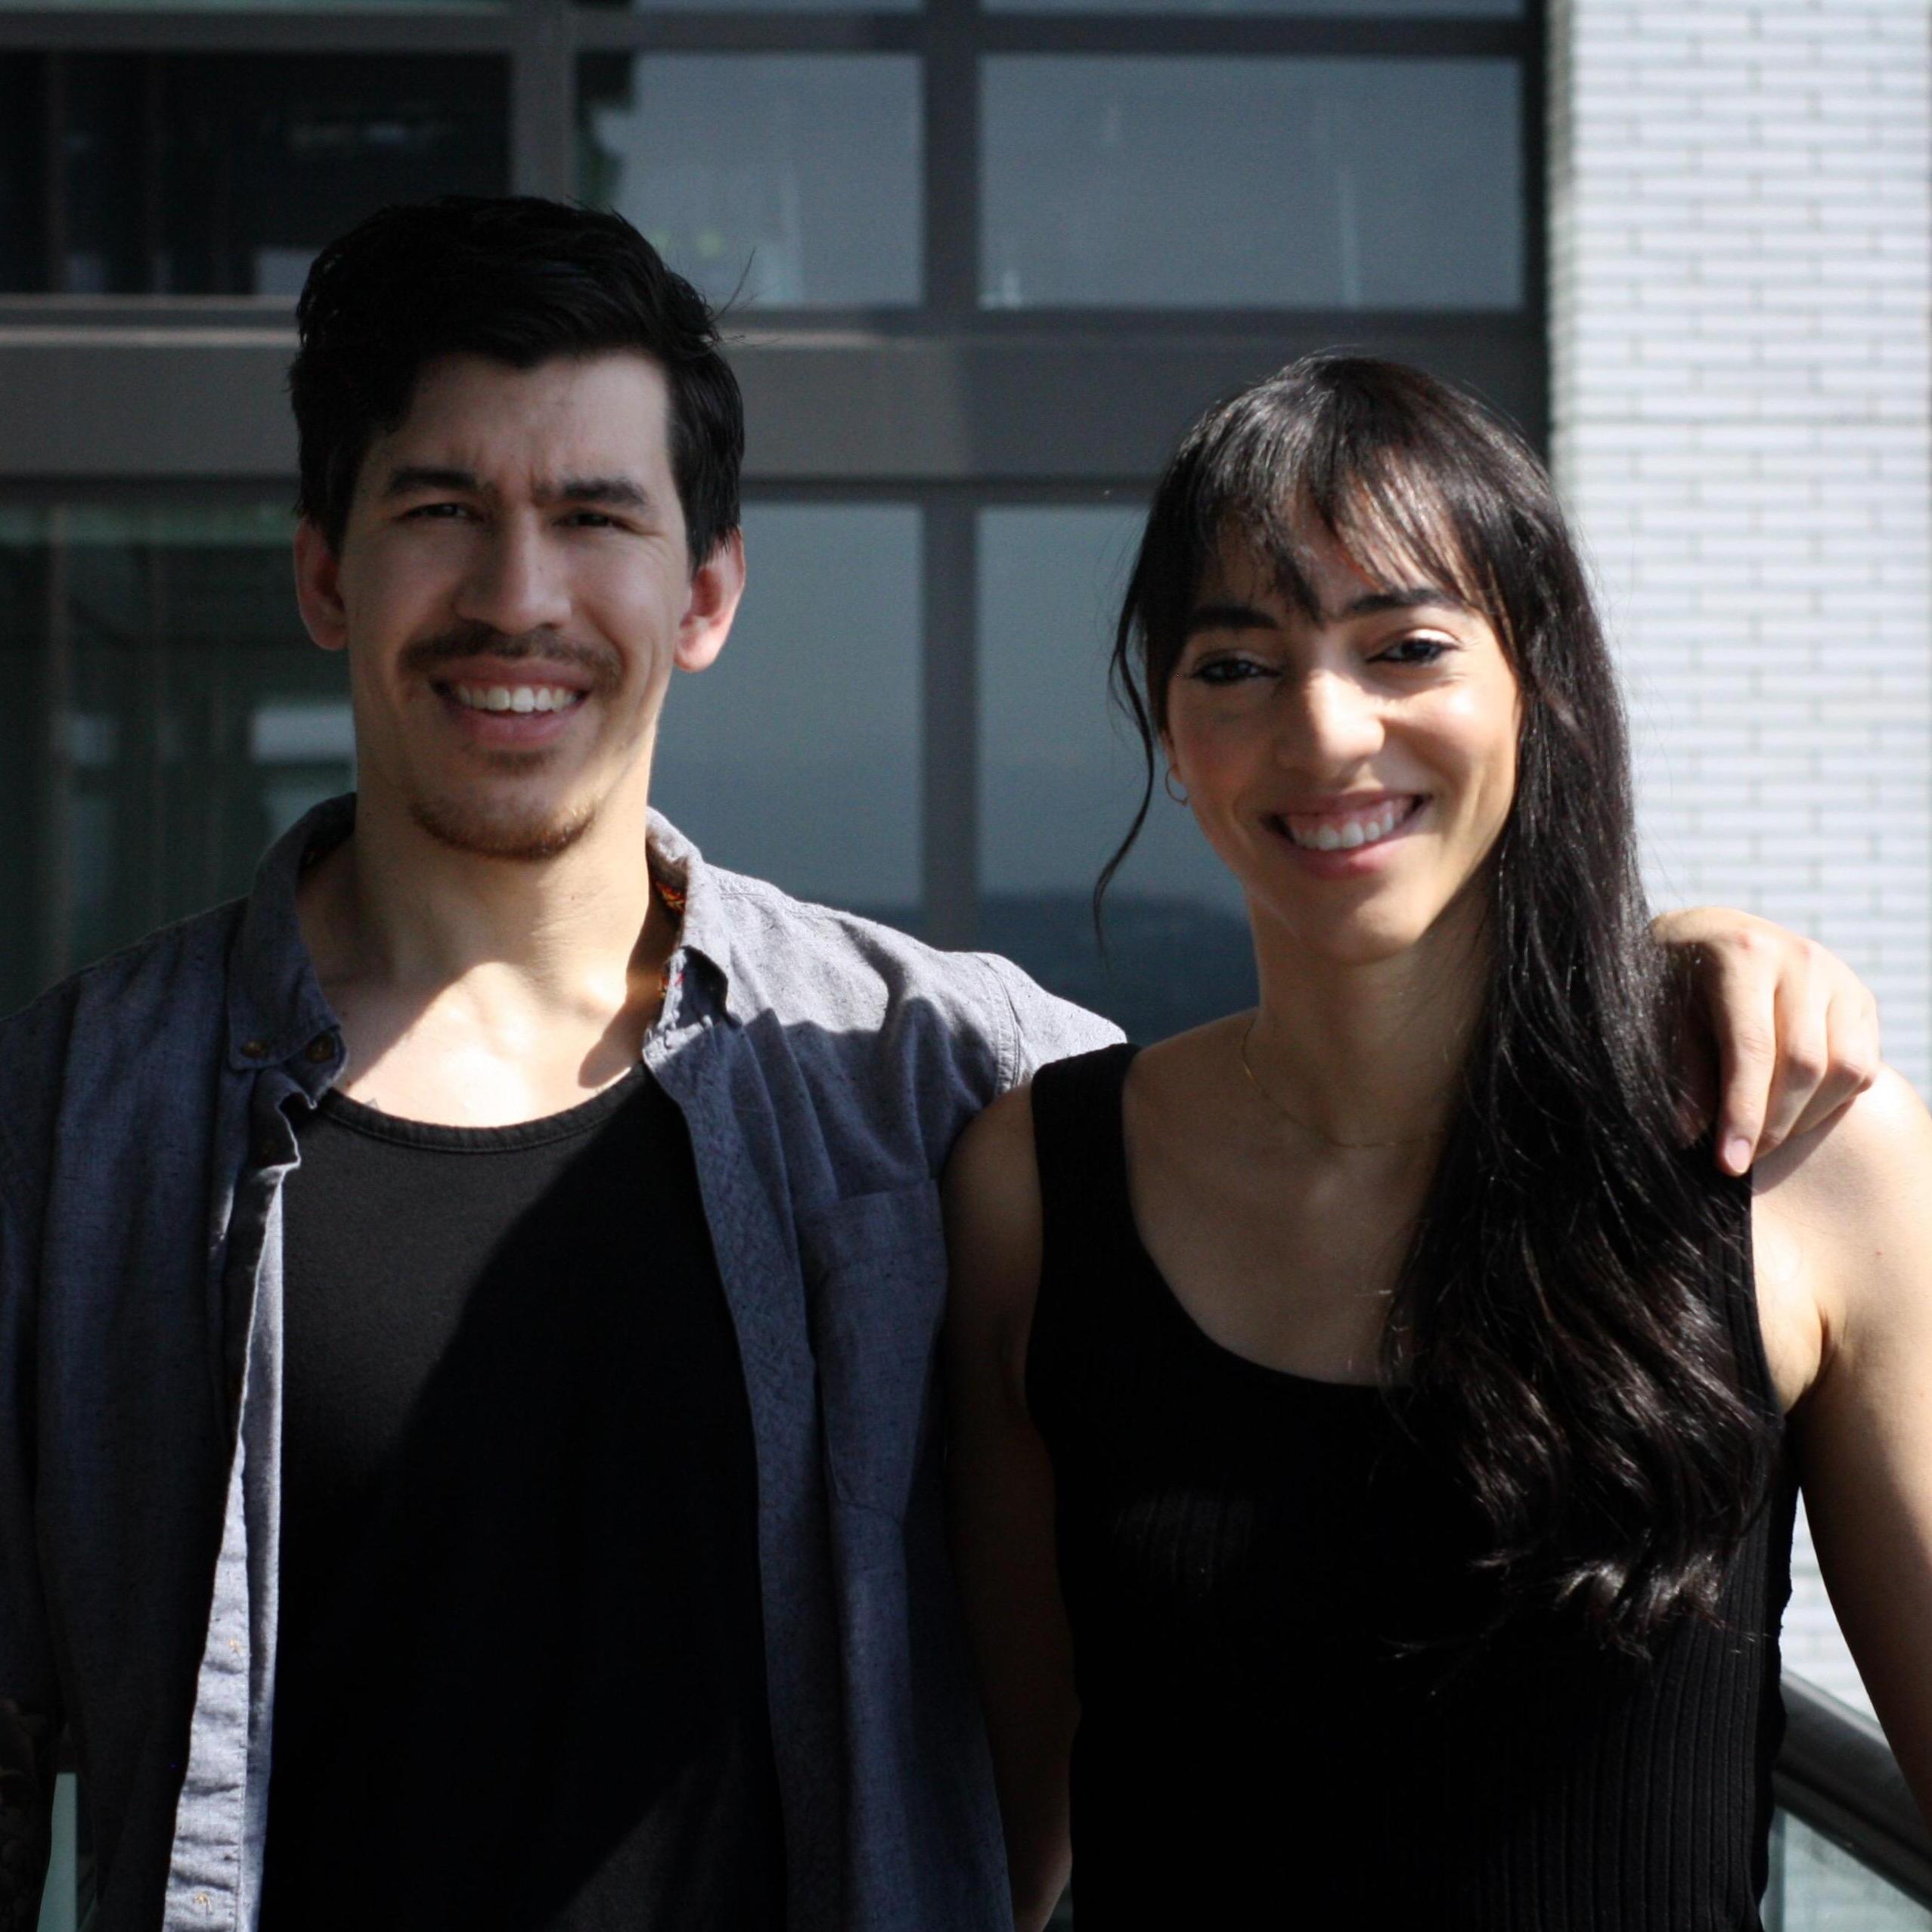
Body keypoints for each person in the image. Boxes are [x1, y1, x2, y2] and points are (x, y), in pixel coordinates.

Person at [0, 207, 1881, 1932]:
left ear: (707, 593)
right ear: (325, 572)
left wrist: (1664, 965)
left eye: (594, 516)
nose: (520, 594)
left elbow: (1368, 1074)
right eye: (437, 511)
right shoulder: (81, 1120)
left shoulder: (928, 1081)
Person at [942, 354, 1932, 1930]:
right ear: (1170, 731)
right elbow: (990, 1842)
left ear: (1534, 681)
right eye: (1236, 665)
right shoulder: (1032, 1192)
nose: (1328, 732)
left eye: (1404, 646)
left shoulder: (1802, 1158)